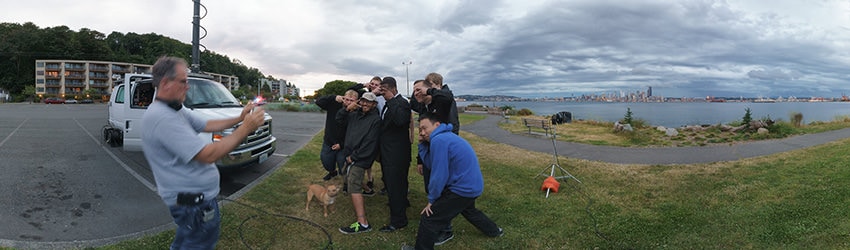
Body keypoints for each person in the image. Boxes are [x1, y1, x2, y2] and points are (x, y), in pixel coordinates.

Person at [141, 56, 265, 249]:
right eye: (183, 81)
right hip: (194, 206)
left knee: (186, 243)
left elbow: (206, 124)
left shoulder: (174, 109)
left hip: (194, 204)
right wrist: (246, 128)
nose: (187, 86)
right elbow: (208, 155)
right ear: (165, 83)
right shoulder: (162, 117)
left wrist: (239, 118)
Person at [407, 114, 503, 249]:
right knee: (469, 210)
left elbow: (439, 174)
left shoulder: (439, 140)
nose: (422, 133)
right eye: (420, 130)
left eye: (424, 128)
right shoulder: (445, 137)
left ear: (437, 125)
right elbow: (431, 164)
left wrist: (432, 200)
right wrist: (422, 145)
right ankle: (495, 231)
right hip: (472, 186)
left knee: (429, 218)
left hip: (462, 189)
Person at [411, 78, 460, 244]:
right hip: (429, 153)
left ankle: (445, 230)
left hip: (441, 152)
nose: (415, 93)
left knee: (441, 190)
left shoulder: (441, 103)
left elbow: (447, 97)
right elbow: (423, 136)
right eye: (413, 90)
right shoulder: (424, 108)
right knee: (431, 187)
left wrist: (429, 90)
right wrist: (420, 160)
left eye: (418, 89)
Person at [336, 92, 382, 234]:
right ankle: (368, 190)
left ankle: (363, 223)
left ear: (374, 104)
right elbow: (339, 120)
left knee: (353, 184)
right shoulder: (354, 114)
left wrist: (354, 157)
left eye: (368, 102)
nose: (365, 104)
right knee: (347, 177)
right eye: (363, 101)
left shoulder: (375, 120)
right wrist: (346, 108)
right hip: (350, 154)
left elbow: (370, 143)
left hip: (361, 157)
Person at [375, 76, 412, 232]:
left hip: (396, 154)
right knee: (395, 184)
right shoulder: (389, 103)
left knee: (395, 185)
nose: (382, 93)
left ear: (392, 88)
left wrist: (390, 100)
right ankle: (401, 203)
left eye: (384, 90)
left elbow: (400, 121)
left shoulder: (402, 103)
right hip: (388, 152)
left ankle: (398, 220)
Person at [315, 85, 362, 181]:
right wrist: (333, 97)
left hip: (344, 144)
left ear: (356, 101)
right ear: (343, 98)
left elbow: (355, 133)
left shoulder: (357, 113)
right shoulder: (334, 105)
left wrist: (341, 144)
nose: (348, 102)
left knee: (343, 165)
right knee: (326, 161)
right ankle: (332, 172)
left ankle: (346, 182)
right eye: (346, 99)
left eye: (351, 101)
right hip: (329, 140)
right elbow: (318, 101)